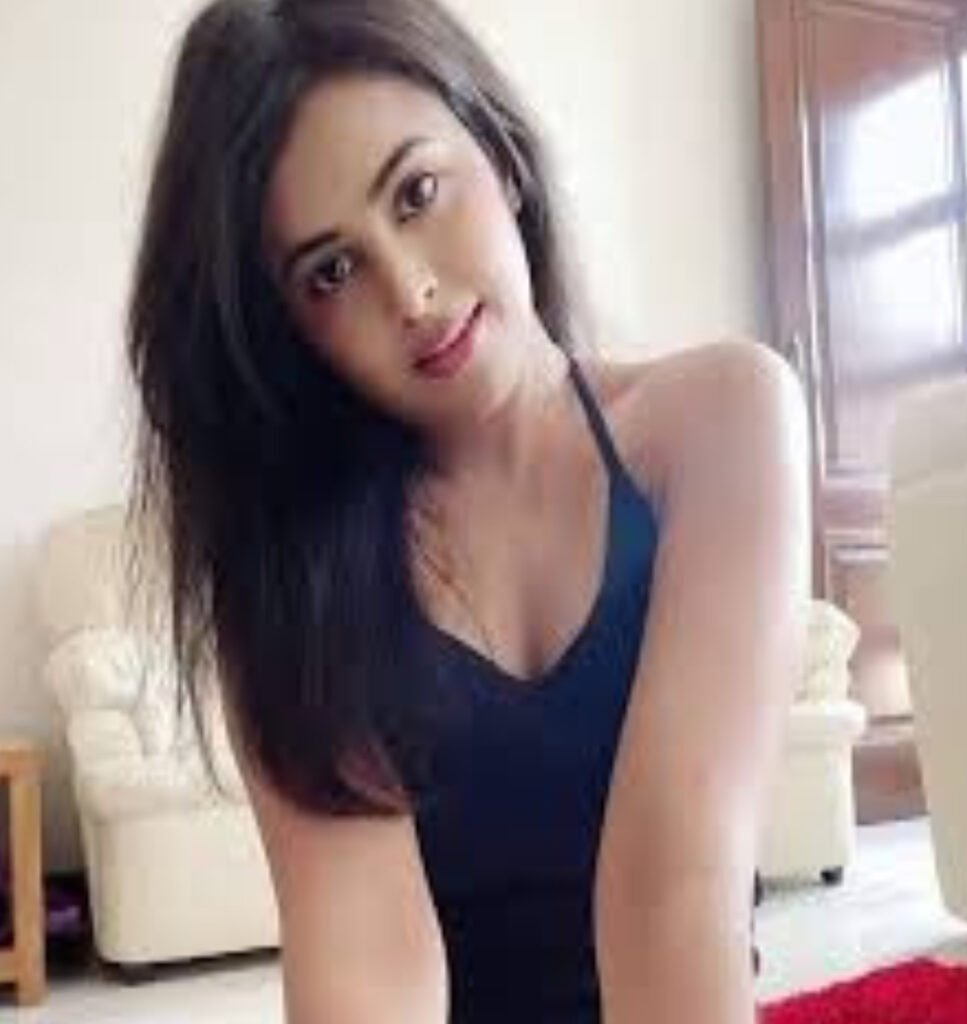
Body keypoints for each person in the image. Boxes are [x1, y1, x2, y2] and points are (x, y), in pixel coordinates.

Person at [126, 0, 810, 1021]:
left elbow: (677, 891)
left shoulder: (722, 416)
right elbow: (364, 974)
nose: (409, 293)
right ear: (289, 333)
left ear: (502, 153)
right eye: (331, 271)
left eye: (416, 193)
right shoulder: (289, 571)